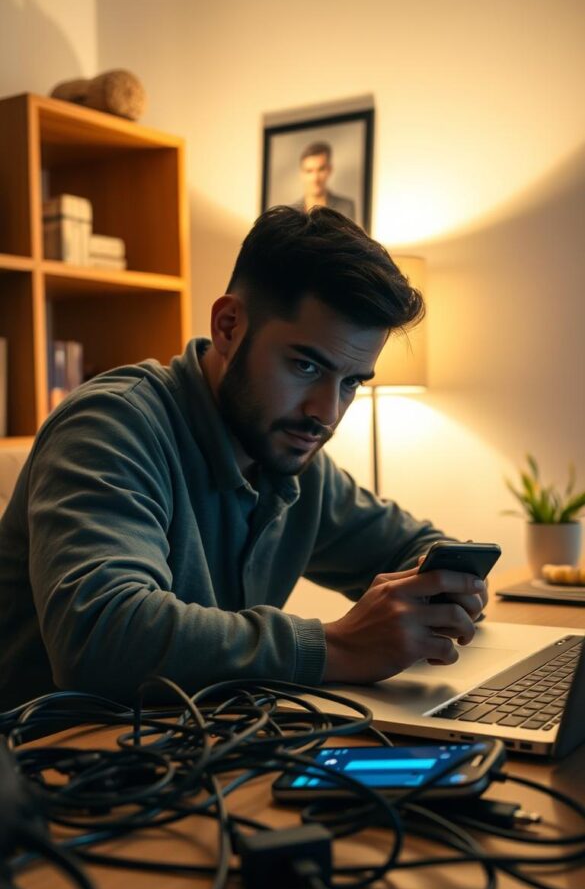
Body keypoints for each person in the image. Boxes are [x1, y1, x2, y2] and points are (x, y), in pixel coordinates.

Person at [0, 206, 487, 707]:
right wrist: (337, 645)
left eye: (350, 384)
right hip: (52, 764)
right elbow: (99, 636)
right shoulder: (111, 425)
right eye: (304, 365)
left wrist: (451, 590)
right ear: (229, 326)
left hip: (195, 750)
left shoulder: (290, 455)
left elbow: (414, 547)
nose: (326, 412)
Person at [292, 141, 356, 220]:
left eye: (321, 169)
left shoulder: (345, 207)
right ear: (302, 173)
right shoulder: (292, 212)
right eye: (309, 171)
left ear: (329, 170)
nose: (315, 178)